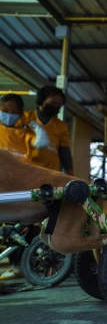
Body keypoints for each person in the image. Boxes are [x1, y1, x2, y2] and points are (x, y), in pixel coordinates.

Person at [0, 94, 48, 280]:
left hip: (21, 184)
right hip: (2, 185)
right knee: (8, 227)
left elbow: (41, 144)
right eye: (5, 111)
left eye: (13, 113)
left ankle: (20, 264)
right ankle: (15, 264)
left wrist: (37, 127)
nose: (8, 115)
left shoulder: (25, 132)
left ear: (21, 114)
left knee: (24, 225)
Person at [25, 86, 74, 175]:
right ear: (42, 100)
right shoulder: (24, 118)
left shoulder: (61, 126)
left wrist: (70, 171)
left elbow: (64, 151)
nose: (55, 107)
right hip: (26, 170)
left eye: (58, 105)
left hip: (51, 173)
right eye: (53, 103)